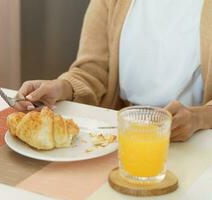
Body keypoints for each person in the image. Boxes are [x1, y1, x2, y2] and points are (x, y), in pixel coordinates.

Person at [15, 0, 212, 142]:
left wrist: (199, 118)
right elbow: (93, 70)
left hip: (196, 140)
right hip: (123, 136)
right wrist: (62, 87)